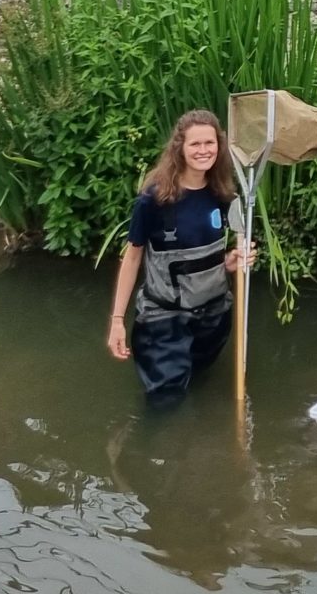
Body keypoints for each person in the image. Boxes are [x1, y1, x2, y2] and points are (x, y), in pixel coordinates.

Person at [107, 108, 255, 406]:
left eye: (209, 143)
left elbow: (209, 255)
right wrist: (117, 321)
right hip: (165, 322)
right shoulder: (154, 199)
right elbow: (133, 258)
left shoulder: (223, 193)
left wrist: (231, 261)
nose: (204, 151)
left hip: (214, 316)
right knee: (165, 403)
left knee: (198, 388)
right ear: (180, 148)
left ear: (219, 145)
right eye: (195, 144)